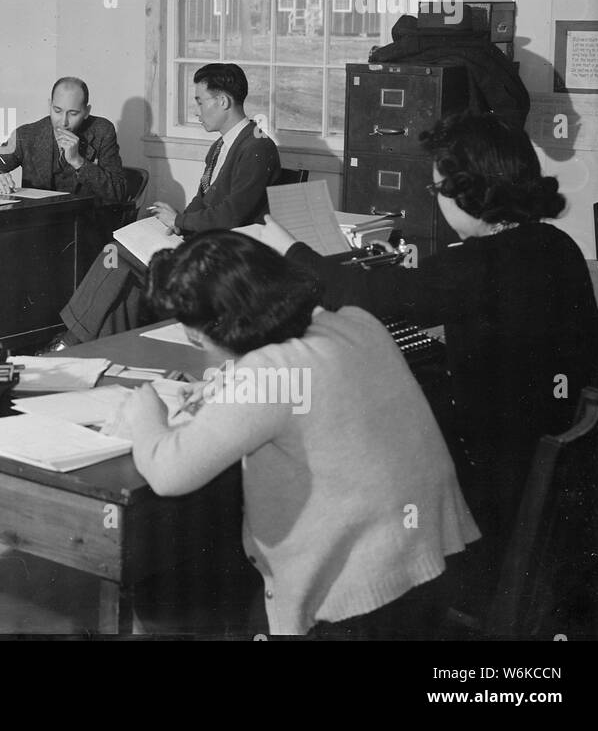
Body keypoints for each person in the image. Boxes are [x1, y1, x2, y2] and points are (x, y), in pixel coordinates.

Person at [238, 112, 598, 598]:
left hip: (491, 498)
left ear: (468, 190)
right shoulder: (557, 245)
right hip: (543, 476)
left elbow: (369, 295)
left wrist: (289, 249)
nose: (437, 199)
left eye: (437, 188)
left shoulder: (476, 262)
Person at [105, 231, 480, 638]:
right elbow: (309, 388)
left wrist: (145, 411)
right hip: (427, 568)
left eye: (198, 338)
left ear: (227, 327)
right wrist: (232, 386)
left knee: (165, 592)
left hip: (355, 604)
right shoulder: (354, 322)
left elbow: (169, 472)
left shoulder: (270, 375)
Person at [52, 62, 280, 347]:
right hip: (205, 241)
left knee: (118, 256)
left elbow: (232, 214)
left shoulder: (257, 146)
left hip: (229, 255)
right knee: (119, 261)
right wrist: (175, 223)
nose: (196, 111)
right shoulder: (221, 146)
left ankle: (72, 342)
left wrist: (180, 221)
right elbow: (203, 199)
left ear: (223, 101)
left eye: (199, 101)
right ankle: (104, 348)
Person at [0, 77, 128, 205]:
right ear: (49, 105)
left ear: (86, 111)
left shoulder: (102, 131)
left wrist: (78, 161)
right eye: (57, 111)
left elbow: (119, 192)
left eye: (73, 113)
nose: (63, 122)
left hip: (84, 225)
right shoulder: (26, 134)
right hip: (38, 223)